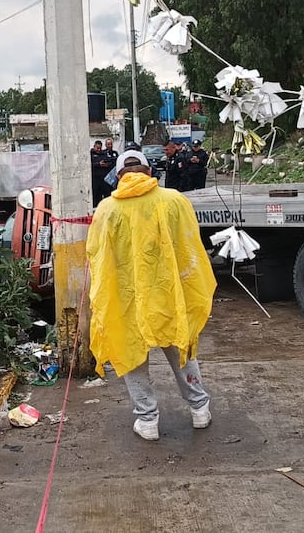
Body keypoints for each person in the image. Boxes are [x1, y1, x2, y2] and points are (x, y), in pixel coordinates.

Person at [87, 151, 217, 441]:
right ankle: (199, 409)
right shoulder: (174, 200)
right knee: (180, 347)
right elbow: (190, 247)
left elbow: (98, 256)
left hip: (127, 299)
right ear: (149, 171)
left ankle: (148, 421)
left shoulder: (107, 209)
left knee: (131, 353)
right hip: (168, 294)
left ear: (118, 176)